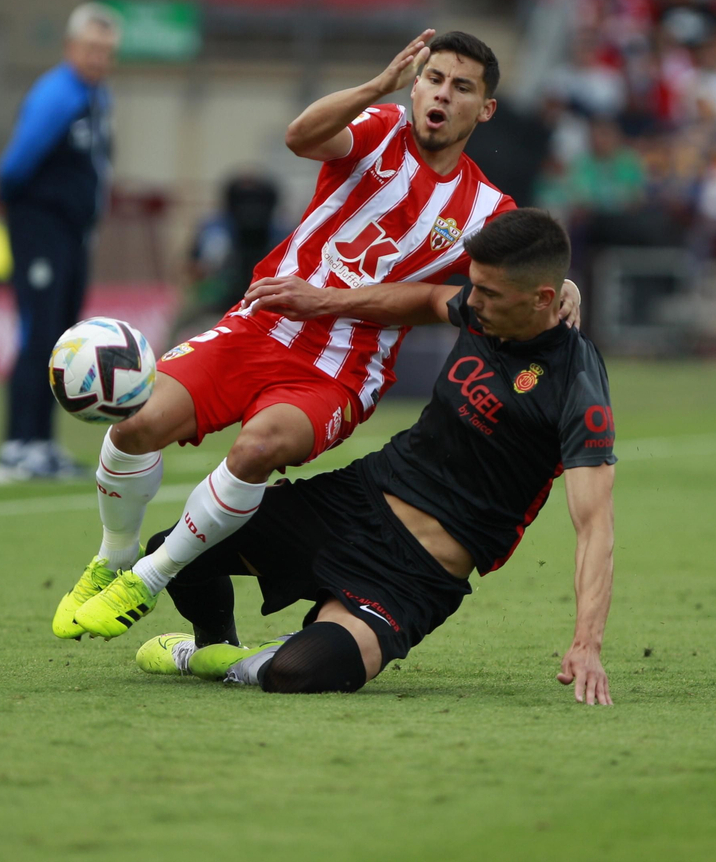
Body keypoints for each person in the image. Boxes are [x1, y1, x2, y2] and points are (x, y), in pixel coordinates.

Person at [52, 30, 556, 642]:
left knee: (259, 448)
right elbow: (301, 137)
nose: (441, 95)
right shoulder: (376, 127)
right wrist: (376, 86)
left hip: (341, 368)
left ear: (486, 108)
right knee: (136, 423)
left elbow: (469, 290)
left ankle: (149, 579)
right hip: (257, 326)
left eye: (462, 86)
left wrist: (563, 286)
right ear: (415, 84)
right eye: (433, 79)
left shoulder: (485, 210)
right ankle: (114, 555)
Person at [126, 210, 617, 701]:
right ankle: (213, 650)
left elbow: (595, 527)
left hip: (415, 575)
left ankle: (260, 658)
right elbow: (424, 297)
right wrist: (324, 301)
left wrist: (586, 644)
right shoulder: (484, 307)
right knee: (172, 552)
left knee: (297, 672)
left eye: (489, 293)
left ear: (542, 299)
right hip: (352, 502)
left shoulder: (576, 385)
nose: (474, 300)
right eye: (473, 287)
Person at [0, 3, 120, 484]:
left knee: (61, 340)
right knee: (38, 332)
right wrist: (22, 211)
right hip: (41, 227)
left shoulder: (96, 97)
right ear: (70, 48)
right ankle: (15, 447)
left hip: (70, 232)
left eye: (106, 51)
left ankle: (42, 444)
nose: (98, 58)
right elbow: (16, 164)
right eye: (91, 49)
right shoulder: (58, 95)